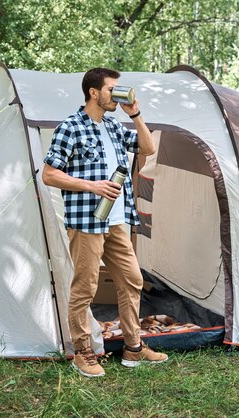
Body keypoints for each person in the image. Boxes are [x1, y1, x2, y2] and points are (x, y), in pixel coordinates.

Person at [42, 68, 168, 378]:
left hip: (114, 221)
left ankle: (133, 348)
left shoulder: (113, 126)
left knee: (132, 279)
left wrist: (135, 113)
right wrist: (93, 186)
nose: (118, 93)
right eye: (112, 89)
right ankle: (83, 352)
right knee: (85, 287)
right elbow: (48, 174)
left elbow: (148, 148)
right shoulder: (70, 127)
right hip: (86, 222)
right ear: (94, 92)